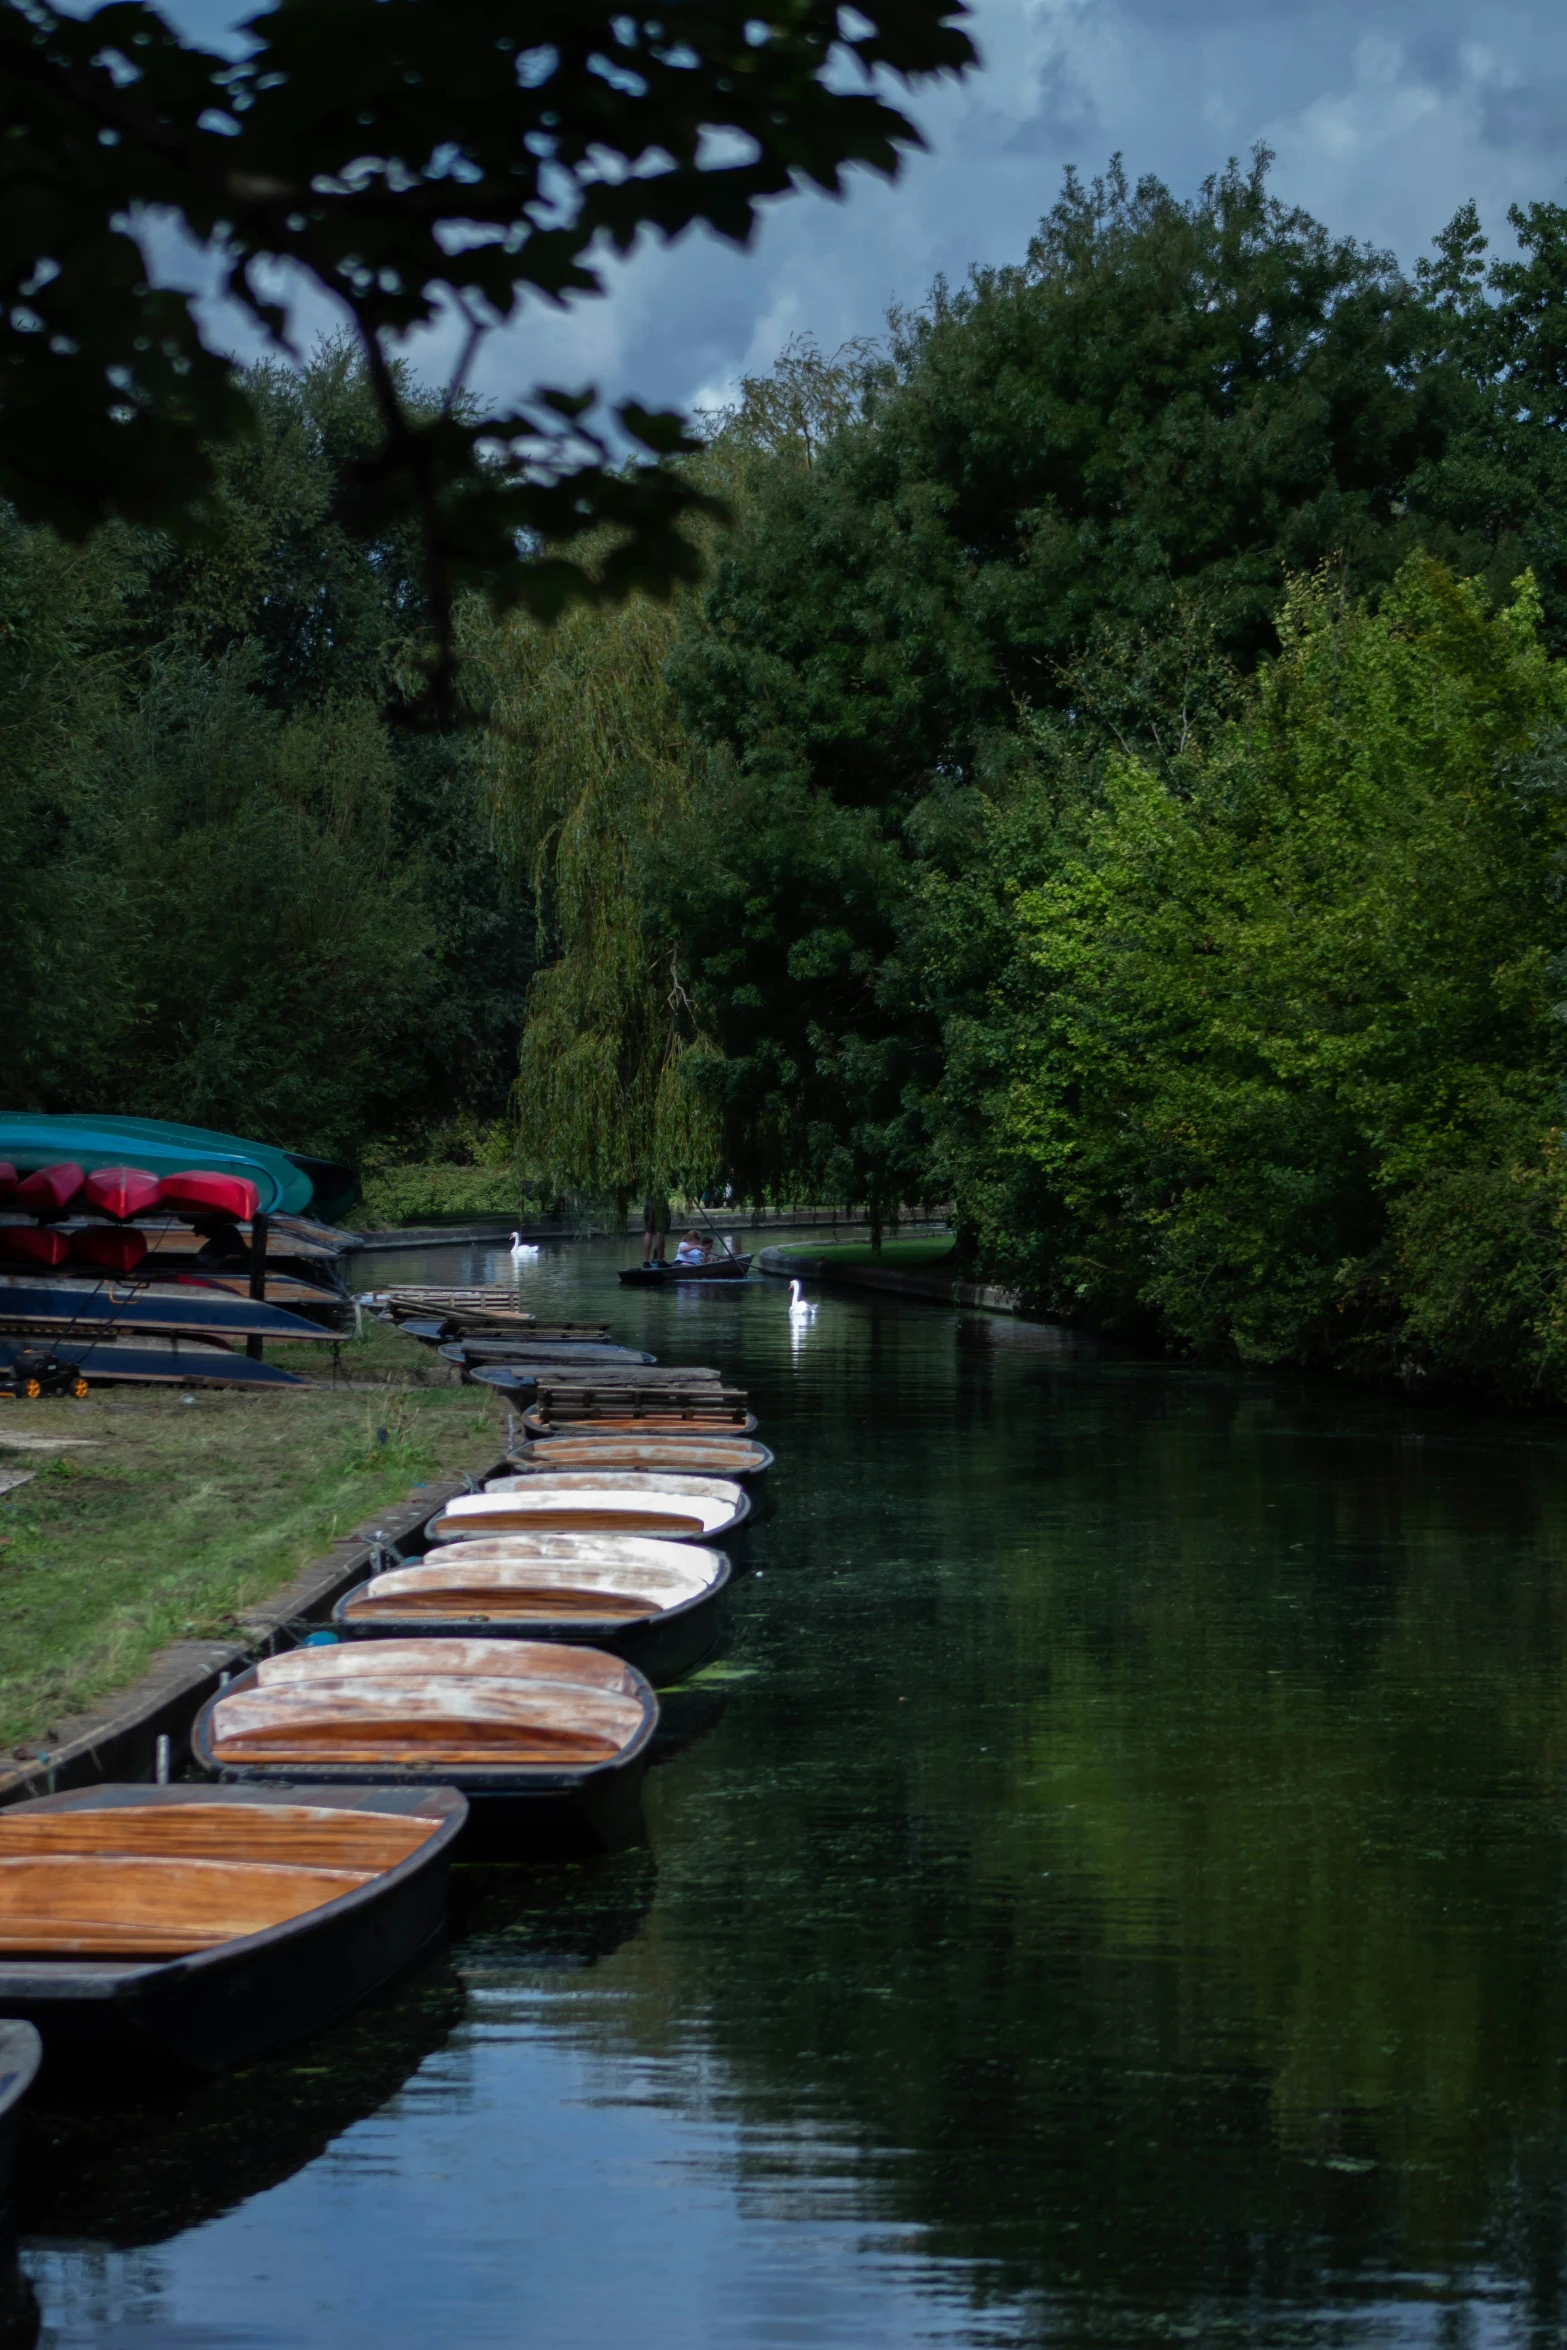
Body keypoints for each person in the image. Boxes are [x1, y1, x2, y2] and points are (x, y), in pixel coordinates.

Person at [641, 1192, 670, 1266]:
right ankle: (661, 1260)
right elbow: (674, 1184)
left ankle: (646, 1261)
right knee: (660, 1230)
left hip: (648, 1202)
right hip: (660, 1202)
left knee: (648, 1231)